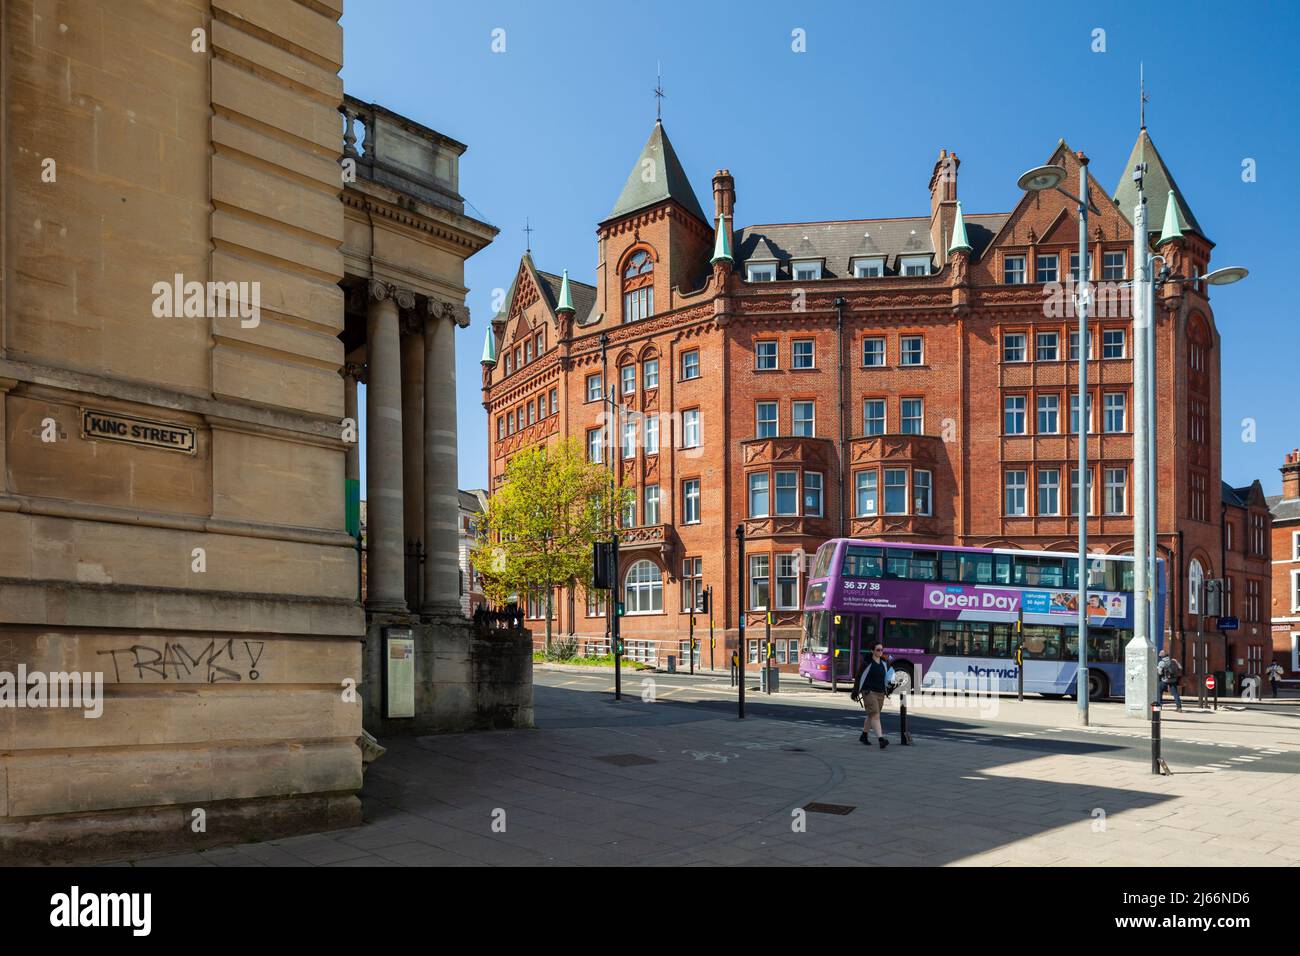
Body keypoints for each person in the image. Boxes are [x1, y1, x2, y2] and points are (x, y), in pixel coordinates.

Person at [851, 642, 895, 749]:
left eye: (881, 650)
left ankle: (864, 735)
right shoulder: (867, 663)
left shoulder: (884, 663)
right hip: (868, 692)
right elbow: (859, 677)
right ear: (872, 651)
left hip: (880, 692)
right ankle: (881, 739)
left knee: (871, 715)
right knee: (875, 714)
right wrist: (855, 692)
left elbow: (887, 678)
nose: (880, 652)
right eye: (878, 650)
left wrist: (890, 686)